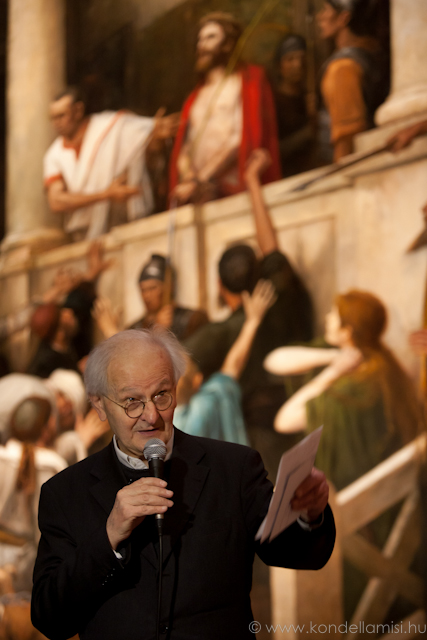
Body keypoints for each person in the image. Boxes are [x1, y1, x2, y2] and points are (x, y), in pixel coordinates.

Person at [31, 328, 334, 640]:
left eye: (161, 395)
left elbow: (299, 553)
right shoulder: (65, 493)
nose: (151, 416)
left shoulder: (234, 468)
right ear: (98, 405)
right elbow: (50, 618)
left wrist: (308, 515)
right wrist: (108, 537)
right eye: (132, 401)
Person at [184, 149, 313, 479]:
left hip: (258, 442)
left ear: (219, 284)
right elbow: (272, 250)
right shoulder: (280, 293)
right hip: (303, 424)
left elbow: (179, 369)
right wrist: (253, 182)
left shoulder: (220, 333)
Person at [265, 290, 424, 491]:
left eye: (333, 314)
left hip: (361, 490)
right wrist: (332, 357)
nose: (327, 318)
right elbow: (274, 361)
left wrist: (332, 372)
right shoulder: (381, 361)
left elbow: (285, 421)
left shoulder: (358, 386)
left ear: (347, 331)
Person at [169, 12, 281, 205]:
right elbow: (186, 147)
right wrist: (189, 177)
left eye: (210, 37)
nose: (202, 45)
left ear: (228, 44)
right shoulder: (194, 98)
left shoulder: (247, 83)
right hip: (196, 196)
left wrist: (200, 179)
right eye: (200, 39)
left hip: (233, 193)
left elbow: (238, 138)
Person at [44, 87, 179, 240]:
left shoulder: (110, 127)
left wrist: (153, 133)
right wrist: (107, 194)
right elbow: (56, 201)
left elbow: (146, 141)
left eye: (61, 116)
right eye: (53, 118)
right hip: (83, 235)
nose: (57, 123)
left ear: (78, 110)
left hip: (123, 223)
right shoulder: (53, 155)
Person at [175, 279, 276, 444]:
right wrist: (252, 322)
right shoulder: (208, 404)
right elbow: (232, 367)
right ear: (198, 381)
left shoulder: (163, 429)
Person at [316, 0, 389, 162]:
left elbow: (347, 140)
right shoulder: (371, 52)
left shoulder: (342, 68)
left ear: (343, 18)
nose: (320, 16)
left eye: (326, 10)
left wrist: (340, 173)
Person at [94, 254, 209, 342]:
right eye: (143, 290)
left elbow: (191, 360)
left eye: (153, 288)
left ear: (169, 287)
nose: (146, 295)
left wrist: (161, 333)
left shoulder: (193, 319)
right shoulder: (134, 328)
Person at [273, 34, 316, 177]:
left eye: (301, 58)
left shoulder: (310, 97)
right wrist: (308, 132)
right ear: (279, 66)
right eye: (290, 59)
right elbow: (274, 150)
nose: (297, 64)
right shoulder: (274, 101)